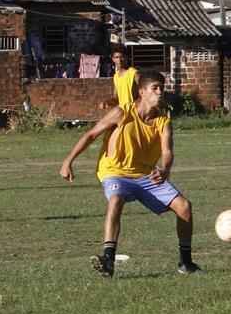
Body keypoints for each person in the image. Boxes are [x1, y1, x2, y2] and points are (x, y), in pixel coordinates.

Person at [59, 71, 199, 277]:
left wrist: (165, 169)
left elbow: (167, 151)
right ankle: (108, 259)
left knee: (184, 207)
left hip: (145, 175)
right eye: (155, 88)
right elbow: (91, 134)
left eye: (162, 87)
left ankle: (186, 263)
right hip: (115, 172)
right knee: (115, 199)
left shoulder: (163, 122)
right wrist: (68, 161)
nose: (160, 91)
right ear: (142, 92)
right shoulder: (122, 112)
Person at [103, 45, 138, 110]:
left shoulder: (134, 73)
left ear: (126, 57)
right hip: (123, 113)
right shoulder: (116, 76)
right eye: (117, 57)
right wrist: (107, 102)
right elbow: (116, 98)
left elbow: (144, 94)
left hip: (134, 113)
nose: (119, 60)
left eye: (122, 57)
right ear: (113, 59)